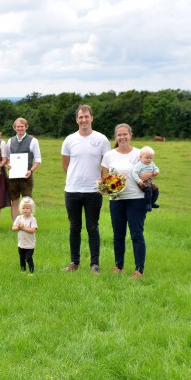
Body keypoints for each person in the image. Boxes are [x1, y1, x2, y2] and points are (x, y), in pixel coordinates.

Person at [61, 104, 111, 273]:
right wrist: (76, 177)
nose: (84, 120)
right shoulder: (69, 140)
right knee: (74, 227)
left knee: (92, 227)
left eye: (86, 116)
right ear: (77, 120)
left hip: (93, 191)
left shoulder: (102, 140)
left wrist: (102, 182)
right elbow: (65, 164)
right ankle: (74, 262)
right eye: (80, 117)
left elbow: (106, 164)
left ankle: (94, 264)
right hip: (72, 190)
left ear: (92, 118)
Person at [102, 124, 156, 279]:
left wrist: (140, 178)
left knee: (136, 235)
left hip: (136, 200)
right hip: (117, 199)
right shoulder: (109, 155)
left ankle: (139, 270)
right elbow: (104, 179)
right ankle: (118, 266)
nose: (122, 137)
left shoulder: (140, 154)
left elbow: (150, 174)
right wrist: (104, 188)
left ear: (130, 135)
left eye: (125, 134)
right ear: (115, 137)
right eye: (119, 135)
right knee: (118, 235)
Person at [6, 117, 41, 222]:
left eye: (22, 126)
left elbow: (38, 160)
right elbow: (7, 158)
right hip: (13, 176)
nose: (20, 128)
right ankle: (15, 223)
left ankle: (28, 223)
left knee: (27, 200)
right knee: (14, 200)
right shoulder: (10, 141)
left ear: (26, 127)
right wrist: (8, 164)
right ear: (14, 128)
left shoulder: (33, 141)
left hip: (27, 175)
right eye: (17, 127)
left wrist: (31, 171)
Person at [12, 196, 37, 273]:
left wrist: (23, 228)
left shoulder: (32, 219)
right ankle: (23, 270)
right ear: (20, 209)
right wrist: (19, 227)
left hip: (29, 244)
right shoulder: (19, 218)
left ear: (31, 209)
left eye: (27, 208)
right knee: (21, 257)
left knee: (28, 258)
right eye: (23, 208)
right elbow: (13, 228)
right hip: (21, 243)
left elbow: (33, 230)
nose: (25, 210)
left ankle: (31, 272)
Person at [131, 146, 160, 212]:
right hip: (143, 182)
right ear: (141, 157)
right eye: (147, 158)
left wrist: (156, 171)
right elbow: (134, 173)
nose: (149, 160)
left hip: (149, 181)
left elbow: (156, 168)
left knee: (156, 190)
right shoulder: (139, 165)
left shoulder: (152, 164)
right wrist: (139, 181)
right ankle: (148, 204)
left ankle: (152, 203)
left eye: (151, 158)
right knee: (148, 190)